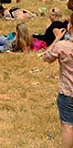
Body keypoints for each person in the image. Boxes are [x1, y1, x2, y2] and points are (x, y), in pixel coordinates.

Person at [43, 13, 73, 148]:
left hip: (67, 92)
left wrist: (57, 39)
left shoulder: (62, 46)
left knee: (67, 126)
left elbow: (46, 57)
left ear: (70, 26)